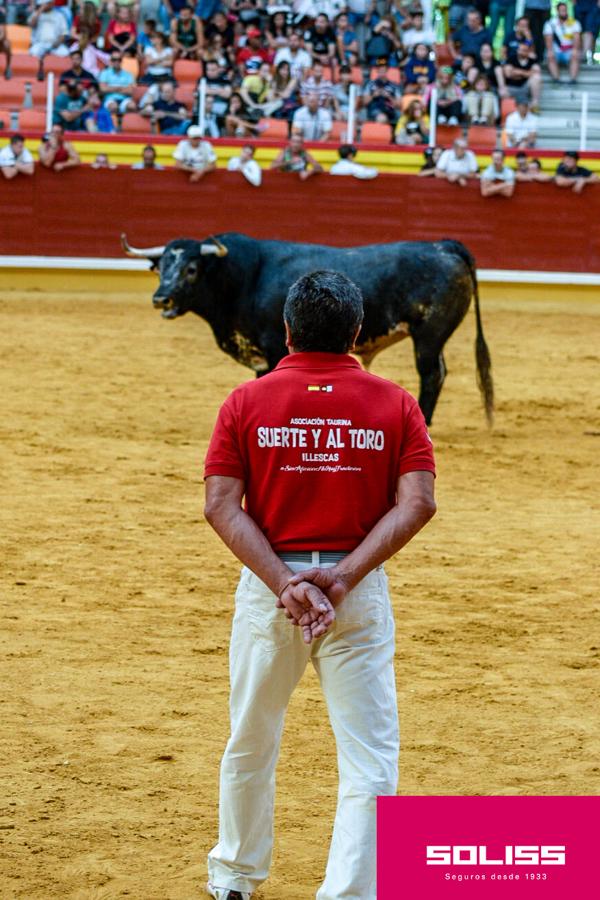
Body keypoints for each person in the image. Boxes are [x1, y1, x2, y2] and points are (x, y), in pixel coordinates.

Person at [203, 269, 436, 900]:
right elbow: (417, 504)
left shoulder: (245, 402)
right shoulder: (395, 403)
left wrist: (285, 582)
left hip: (269, 586)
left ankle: (234, 879)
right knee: (370, 759)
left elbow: (221, 505)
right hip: (353, 592)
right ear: (359, 333)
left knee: (251, 737)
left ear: (285, 331)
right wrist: (341, 575)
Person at [543, 2, 582, 84]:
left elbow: (577, 37)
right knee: (550, 56)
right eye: (562, 10)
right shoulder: (550, 23)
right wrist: (550, 51)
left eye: (565, 10)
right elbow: (548, 38)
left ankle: (573, 80)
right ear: (557, 11)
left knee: (575, 55)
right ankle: (556, 80)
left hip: (569, 51)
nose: (564, 12)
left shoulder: (574, 23)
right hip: (556, 51)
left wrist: (575, 50)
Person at [98, 51, 137, 115]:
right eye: (114, 60)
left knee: (132, 106)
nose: (116, 61)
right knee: (113, 107)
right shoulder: (104, 73)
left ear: (121, 61)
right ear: (111, 61)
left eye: (119, 59)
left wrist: (111, 88)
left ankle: (127, 124)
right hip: (110, 99)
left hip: (125, 99)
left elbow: (131, 91)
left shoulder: (128, 74)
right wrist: (121, 88)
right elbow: (103, 89)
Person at [0, 4, 12, 79]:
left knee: (7, 44)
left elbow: (3, 31)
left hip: (0, 41)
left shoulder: (0, 14)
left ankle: (8, 68)